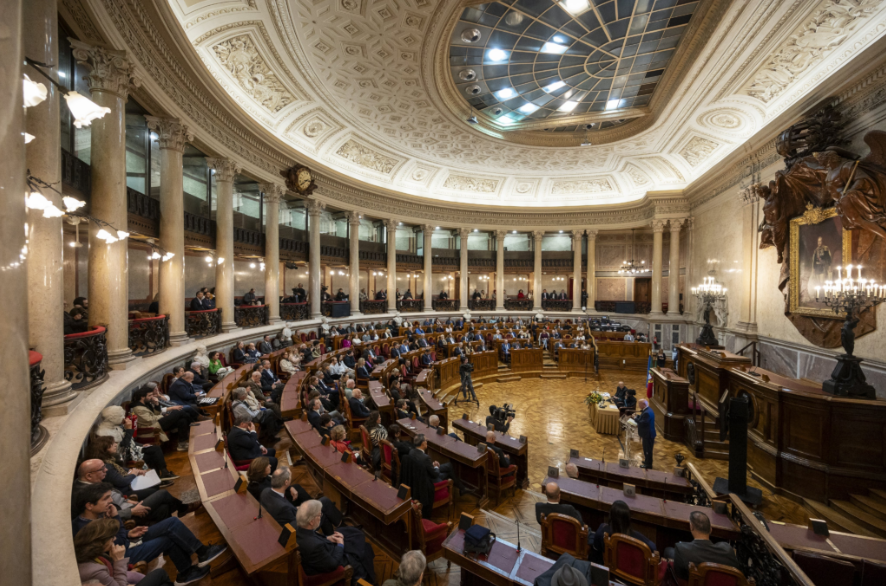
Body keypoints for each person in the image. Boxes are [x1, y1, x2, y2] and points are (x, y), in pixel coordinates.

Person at [72, 483, 225, 586]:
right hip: (122, 555)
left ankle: (200, 555)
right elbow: (116, 545)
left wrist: (128, 532)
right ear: (89, 505)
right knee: (169, 539)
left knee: (171, 522)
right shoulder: (86, 528)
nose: (111, 501)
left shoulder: (98, 513)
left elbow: (119, 536)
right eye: (106, 498)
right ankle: (187, 571)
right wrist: (117, 518)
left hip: (127, 542)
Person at [74, 458, 191, 524]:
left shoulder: (92, 481)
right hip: (126, 515)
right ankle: (184, 508)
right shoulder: (84, 493)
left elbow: (114, 496)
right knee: (162, 494)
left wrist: (126, 499)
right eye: (102, 469)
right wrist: (131, 512)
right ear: (89, 475)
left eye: (105, 466)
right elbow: (101, 518)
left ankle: (170, 544)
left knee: (163, 509)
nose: (106, 470)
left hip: (127, 504)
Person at [75, 516, 174, 586]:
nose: (114, 539)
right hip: (122, 575)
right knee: (160, 574)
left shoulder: (89, 553)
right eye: (111, 537)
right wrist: (119, 561)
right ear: (100, 542)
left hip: (121, 575)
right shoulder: (94, 570)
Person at [295, 499, 377, 584]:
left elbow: (313, 536)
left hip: (324, 550)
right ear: (311, 522)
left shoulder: (300, 528)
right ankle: (366, 580)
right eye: (319, 515)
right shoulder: (315, 546)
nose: (321, 517)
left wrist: (327, 538)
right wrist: (340, 544)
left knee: (355, 534)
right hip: (332, 559)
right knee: (361, 551)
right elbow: (333, 564)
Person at [94, 405, 176, 480]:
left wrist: (141, 445)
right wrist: (129, 429)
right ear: (112, 418)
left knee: (154, 448)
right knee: (151, 455)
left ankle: (162, 474)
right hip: (120, 456)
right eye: (121, 416)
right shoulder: (103, 432)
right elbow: (124, 446)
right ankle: (156, 478)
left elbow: (130, 442)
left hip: (129, 450)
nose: (124, 418)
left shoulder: (116, 427)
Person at [261, 467, 344, 535]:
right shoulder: (284, 507)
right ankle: (342, 526)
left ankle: (332, 536)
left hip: (286, 519)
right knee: (324, 502)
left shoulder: (265, 492)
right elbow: (297, 525)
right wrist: (302, 510)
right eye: (290, 477)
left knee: (323, 512)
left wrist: (297, 507)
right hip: (298, 529)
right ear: (286, 482)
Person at [401, 434, 466, 518]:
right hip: (429, 480)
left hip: (421, 476)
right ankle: (461, 487)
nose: (427, 442)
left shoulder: (411, 452)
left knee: (448, 466)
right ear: (423, 443)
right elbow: (435, 474)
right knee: (448, 473)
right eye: (425, 441)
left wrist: (432, 466)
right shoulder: (425, 458)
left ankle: (461, 488)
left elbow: (422, 466)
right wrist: (435, 467)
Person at [670, 511, 742, 581]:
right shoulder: (728, 550)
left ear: (691, 527)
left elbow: (680, 577)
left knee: (668, 551)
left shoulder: (681, 549)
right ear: (710, 529)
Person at [130, 387, 193, 451]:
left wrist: (157, 404)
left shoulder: (146, 404)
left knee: (182, 421)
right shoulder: (138, 408)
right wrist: (163, 417)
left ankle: (182, 444)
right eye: (149, 395)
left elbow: (156, 413)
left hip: (156, 422)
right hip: (152, 426)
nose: (152, 397)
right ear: (142, 397)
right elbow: (149, 419)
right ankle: (192, 423)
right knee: (179, 412)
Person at [591, 500, 656, 562]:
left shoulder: (601, 531)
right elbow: (653, 548)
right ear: (628, 519)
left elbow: (594, 558)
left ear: (610, 516)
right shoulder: (638, 539)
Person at [634, 399, 656, 469]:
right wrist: (637, 416)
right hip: (647, 434)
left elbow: (643, 423)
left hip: (648, 434)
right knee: (646, 449)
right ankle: (647, 461)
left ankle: (648, 464)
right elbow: (642, 418)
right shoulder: (648, 410)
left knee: (647, 450)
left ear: (644, 404)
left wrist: (635, 418)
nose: (638, 405)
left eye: (639, 404)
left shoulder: (647, 412)